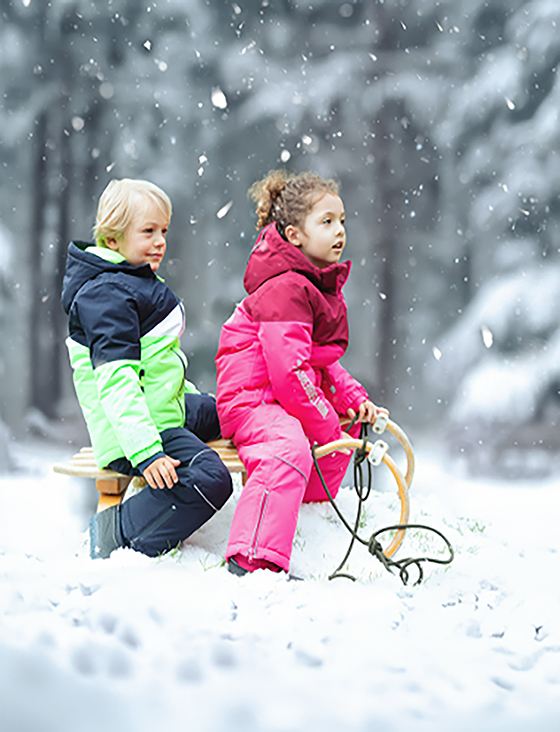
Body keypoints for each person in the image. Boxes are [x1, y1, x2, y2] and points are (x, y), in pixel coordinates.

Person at [215, 170, 387, 576]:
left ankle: (305, 517)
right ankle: (251, 557)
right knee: (287, 445)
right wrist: (325, 423)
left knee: (339, 434)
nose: (339, 230)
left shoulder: (309, 284)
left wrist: (353, 400)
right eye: (326, 222)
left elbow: (318, 361)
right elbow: (290, 373)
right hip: (253, 399)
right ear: (295, 236)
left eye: (342, 220)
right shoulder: (284, 289)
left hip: (277, 395)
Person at [61, 178, 232, 559]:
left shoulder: (128, 282)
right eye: (148, 231)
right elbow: (117, 382)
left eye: (164, 231)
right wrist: (147, 454)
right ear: (111, 241)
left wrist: (190, 400)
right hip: (135, 432)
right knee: (211, 480)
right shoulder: (107, 295)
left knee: (232, 412)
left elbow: (155, 364)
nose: (160, 241)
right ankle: (116, 533)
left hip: (160, 409)